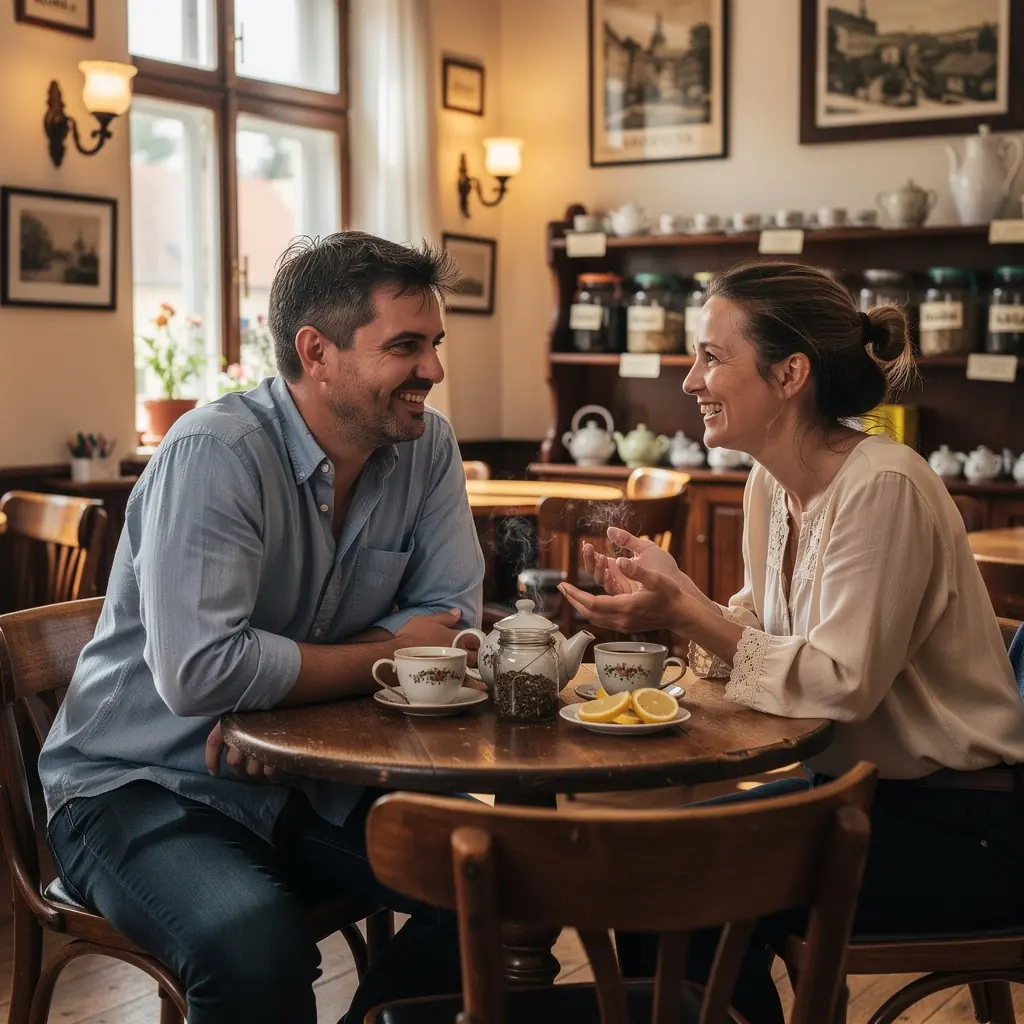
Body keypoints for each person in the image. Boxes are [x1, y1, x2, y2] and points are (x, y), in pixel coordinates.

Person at [558, 261, 1024, 1023]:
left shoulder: (884, 486)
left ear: (790, 374)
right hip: (853, 800)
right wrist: (673, 604)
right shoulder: (768, 484)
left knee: (676, 878)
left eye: (712, 356)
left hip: (960, 829)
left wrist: (688, 610)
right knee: (650, 870)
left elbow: (840, 683)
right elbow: (759, 631)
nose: (690, 380)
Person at [39, 232, 485, 1024]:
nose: (434, 371)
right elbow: (204, 676)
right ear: (316, 352)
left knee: (505, 885)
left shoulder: (429, 448)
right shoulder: (216, 452)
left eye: (435, 344)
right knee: (252, 946)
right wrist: (390, 651)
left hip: (310, 775)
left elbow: (456, 629)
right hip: (137, 783)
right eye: (406, 346)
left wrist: (282, 711)